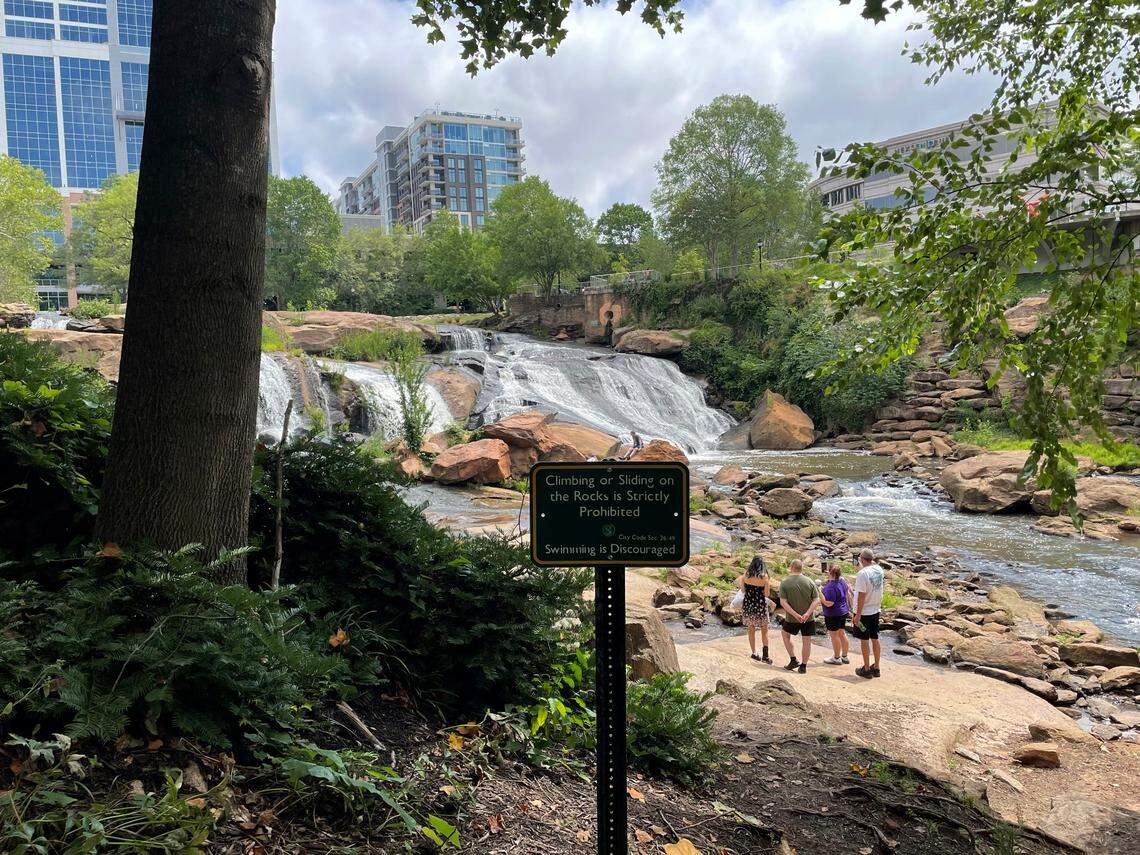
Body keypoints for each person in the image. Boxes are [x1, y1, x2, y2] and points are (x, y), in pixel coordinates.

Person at [778, 559, 819, 674]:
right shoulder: (810, 581)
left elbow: (783, 603)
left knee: (785, 635)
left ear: (791, 568)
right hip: (808, 618)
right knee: (807, 641)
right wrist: (807, 613)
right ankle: (803, 667)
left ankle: (793, 659)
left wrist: (795, 615)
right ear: (801, 568)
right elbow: (816, 600)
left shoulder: (785, 582)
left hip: (792, 618)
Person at [851, 547, 885, 678]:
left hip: (864, 612)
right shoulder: (879, 570)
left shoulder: (862, 574)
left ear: (861, 559)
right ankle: (876, 667)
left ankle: (866, 669)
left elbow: (861, 596)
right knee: (875, 638)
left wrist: (857, 615)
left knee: (864, 640)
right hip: (875, 609)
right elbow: (869, 578)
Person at [736, 556, 772, 664]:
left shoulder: (746, 575)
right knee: (764, 630)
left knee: (751, 629)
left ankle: (754, 653)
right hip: (760, 605)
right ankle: (765, 656)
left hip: (748, 604)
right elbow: (766, 594)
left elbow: (742, 590)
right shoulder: (764, 577)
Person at [819, 562, 852, 665]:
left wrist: (820, 594)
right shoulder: (842, 581)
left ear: (830, 572)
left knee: (834, 635)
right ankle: (845, 656)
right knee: (842, 633)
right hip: (843, 611)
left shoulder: (830, 587)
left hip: (833, 614)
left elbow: (828, 603)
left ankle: (836, 658)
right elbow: (848, 591)